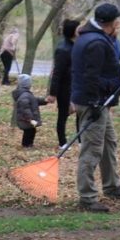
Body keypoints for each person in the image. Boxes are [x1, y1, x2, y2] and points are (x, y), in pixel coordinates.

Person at [71, 3, 120, 213]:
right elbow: (91, 77)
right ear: (113, 22)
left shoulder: (93, 37)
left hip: (98, 99)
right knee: (92, 150)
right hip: (94, 102)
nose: (119, 22)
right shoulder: (95, 42)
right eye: (118, 19)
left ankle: (112, 186)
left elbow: (106, 68)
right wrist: (94, 102)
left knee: (109, 143)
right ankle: (87, 197)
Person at [47, 18, 80, 149]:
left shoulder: (76, 46)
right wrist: (53, 93)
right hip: (64, 87)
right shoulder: (63, 49)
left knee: (80, 113)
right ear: (73, 31)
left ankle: (81, 139)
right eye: (78, 29)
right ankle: (62, 142)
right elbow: (57, 73)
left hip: (76, 86)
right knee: (63, 114)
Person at [12, 74, 46, 148]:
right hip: (26, 119)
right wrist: (30, 118)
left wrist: (44, 101)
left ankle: (29, 144)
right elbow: (25, 109)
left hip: (27, 119)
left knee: (31, 131)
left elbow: (34, 100)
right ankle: (26, 144)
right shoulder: (25, 96)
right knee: (28, 132)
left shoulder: (26, 94)